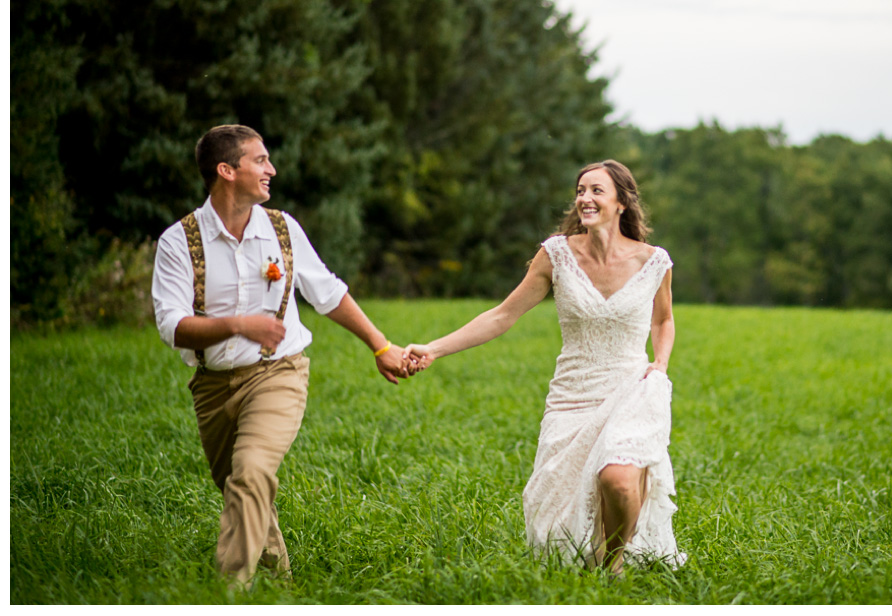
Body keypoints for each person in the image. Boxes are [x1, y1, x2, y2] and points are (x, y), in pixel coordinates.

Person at [151, 124, 416, 585]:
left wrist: (381, 346)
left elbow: (328, 293)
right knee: (243, 488)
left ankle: (230, 591)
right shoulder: (178, 242)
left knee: (250, 473)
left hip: (279, 373)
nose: (271, 169)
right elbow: (173, 327)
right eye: (260, 160)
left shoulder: (282, 229)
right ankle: (279, 583)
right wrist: (238, 324)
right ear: (226, 170)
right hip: (211, 386)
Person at [407, 159, 685, 573]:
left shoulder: (653, 261)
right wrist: (434, 348)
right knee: (561, 510)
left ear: (622, 202)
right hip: (572, 394)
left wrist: (659, 365)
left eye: (596, 191)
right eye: (580, 190)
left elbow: (663, 320)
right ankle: (594, 565)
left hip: (632, 388)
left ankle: (611, 565)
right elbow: (503, 315)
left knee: (618, 480)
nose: (584, 198)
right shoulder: (557, 254)